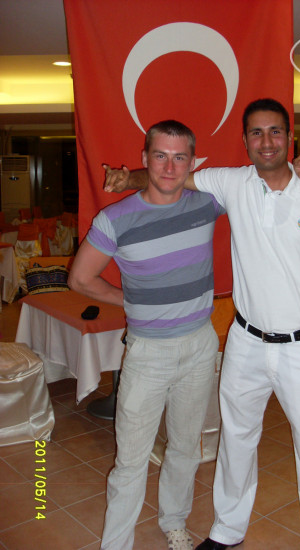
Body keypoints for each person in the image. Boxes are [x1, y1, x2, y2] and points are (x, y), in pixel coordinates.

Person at [104, 98, 300, 550]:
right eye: (256, 132)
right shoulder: (233, 183)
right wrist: (128, 179)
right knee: (236, 440)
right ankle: (227, 529)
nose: (266, 141)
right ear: (245, 140)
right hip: (246, 342)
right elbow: (171, 175)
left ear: (289, 137)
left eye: (275, 131)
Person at [69, 120, 224, 550]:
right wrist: (129, 300)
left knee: (185, 447)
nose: (169, 167)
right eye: (160, 156)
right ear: (144, 159)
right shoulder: (115, 219)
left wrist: (299, 169)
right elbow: (80, 279)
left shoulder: (208, 203)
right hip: (147, 353)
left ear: (192, 163)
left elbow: (261, 184)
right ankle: (116, 543)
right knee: (131, 460)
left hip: (199, 345)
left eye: (179, 157)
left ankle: (174, 522)